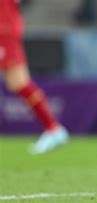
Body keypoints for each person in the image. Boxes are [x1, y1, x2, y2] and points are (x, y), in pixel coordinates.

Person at [0, 0, 69, 154]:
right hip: (7, 27)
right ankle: (52, 127)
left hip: (4, 29)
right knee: (17, 83)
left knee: (18, 82)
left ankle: (53, 128)